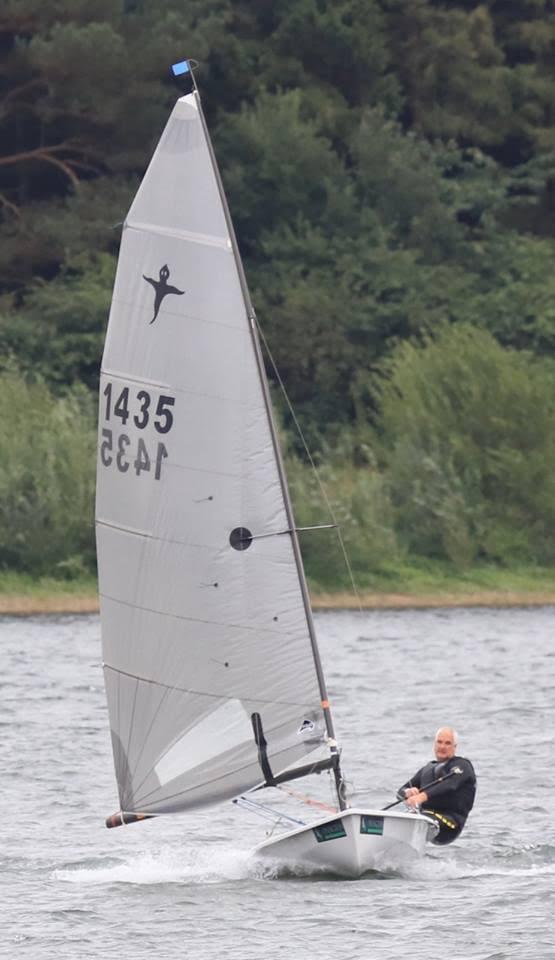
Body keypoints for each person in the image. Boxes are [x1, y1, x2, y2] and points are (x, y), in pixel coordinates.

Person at [398, 727, 476, 845]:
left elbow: (450, 785)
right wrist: (408, 792)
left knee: (417, 817)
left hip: (450, 823)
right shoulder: (427, 769)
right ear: (434, 745)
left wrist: (421, 797)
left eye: (447, 743)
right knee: (407, 816)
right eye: (439, 742)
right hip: (425, 817)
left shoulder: (462, 766)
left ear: (455, 747)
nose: (442, 746)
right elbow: (400, 791)